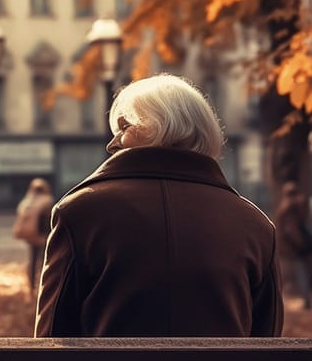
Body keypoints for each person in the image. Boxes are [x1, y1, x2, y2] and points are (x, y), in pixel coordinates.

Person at [35, 73, 283, 337]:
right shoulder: (255, 226)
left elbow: (52, 339)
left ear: (134, 128)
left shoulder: (78, 212)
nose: (111, 144)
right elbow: (266, 339)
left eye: (120, 129)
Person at [274, 181, 312, 309]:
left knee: (295, 274)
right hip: (295, 248)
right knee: (299, 274)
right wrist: (302, 245)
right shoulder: (290, 208)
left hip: (291, 248)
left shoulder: (287, 207)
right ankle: (305, 299)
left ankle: (304, 299)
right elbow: (292, 230)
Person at [12, 178, 54, 291]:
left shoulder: (27, 201)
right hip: (43, 235)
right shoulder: (47, 201)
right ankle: (42, 284)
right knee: (44, 260)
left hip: (31, 235)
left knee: (33, 259)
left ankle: (31, 285)